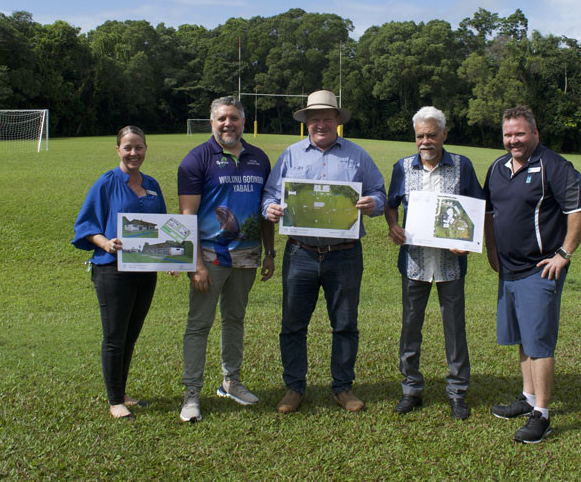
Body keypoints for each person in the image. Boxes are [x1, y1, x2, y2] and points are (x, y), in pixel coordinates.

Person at [262, 90, 387, 414]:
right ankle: (294, 388)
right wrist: (271, 208)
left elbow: (378, 192)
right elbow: (270, 195)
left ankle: (343, 387)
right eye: (314, 119)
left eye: (326, 118)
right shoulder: (290, 155)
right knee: (292, 324)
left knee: (345, 323)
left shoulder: (358, 156)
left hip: (344, 254)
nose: (320, 124)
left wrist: (374, 204)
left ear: (337, 122)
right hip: (300, 253)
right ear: (306, 123)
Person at [483, 106, 581, 443]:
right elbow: (489, 213)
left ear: (535, 133)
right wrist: (492, 251)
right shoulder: (498, 167)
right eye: (508, 134)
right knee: (522, 338)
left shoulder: (554, 166)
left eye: (520, 133)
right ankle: (528, 397)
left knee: (539, 342)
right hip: (509, 270)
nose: (513, 140)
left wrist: (564, 253)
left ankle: (541, 413)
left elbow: (580, 209)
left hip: (539, 269)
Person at [176, 96, 275, 422]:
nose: (227, 124)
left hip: (248, 256)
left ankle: (231, 382)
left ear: (243, 121)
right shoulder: (196, 159)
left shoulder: (259, 159)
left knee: (235, 319)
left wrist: (269, 251)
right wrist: (196, 265)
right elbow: (187, 217)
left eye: (233, 118)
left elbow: (265, 212)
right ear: (212, 121)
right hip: (210, 257)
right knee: (199, 324)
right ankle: (192, 394)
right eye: (221, 119)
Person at [385, 106, 483, 420]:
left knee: (455, 329)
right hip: (414, 263)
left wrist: (467, 242)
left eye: (431, 135)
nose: (425, 141)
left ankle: (457, 393)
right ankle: (411, 389)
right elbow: (391, 205)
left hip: (450, 266)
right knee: (410, 328)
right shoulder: (402, 167)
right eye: (420, 136)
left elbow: (477, 207)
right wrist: (393, 226)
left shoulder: (462, 166)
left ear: (444, 135)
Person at [72, 126, 166, 421]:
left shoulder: (152, 185)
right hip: (112, 270)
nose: (134, 153)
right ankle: (115, 400)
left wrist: (172, 259)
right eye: (128, 148)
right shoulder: (106, 183)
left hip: (145, 270)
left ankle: (122, 392)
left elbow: (163, 228)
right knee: (114, 336)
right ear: (118, 151)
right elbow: (85, 226)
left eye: (139, 147)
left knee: (131, 335)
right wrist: (106, 243)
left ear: (145, 149)